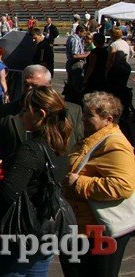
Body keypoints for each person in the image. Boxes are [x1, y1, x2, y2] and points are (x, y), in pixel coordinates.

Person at [0, 86, 74, 276]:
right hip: (46, 230)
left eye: (26, 110)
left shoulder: (31, 149)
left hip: (22, 234)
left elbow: (8, 192)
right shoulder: (60, 145)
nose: (21, 115)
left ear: (41, 114)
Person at [61, 92, 135, 276]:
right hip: (82, 225)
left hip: (99, 231)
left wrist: (79, 182)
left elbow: (123, 185)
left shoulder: (114, 143)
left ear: (108, 119)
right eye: (84, 114)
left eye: (89, 115)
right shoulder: (93, 138)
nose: (83, 119)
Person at [0, 65, 84, 163]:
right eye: (26, 85)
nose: (29, 89)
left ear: (49, 86)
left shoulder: (72, 111)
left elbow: (80, 146)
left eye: (35, 86)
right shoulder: (6, 112)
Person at [65, 24, 89, 105]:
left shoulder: (71, 38)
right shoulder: (75, 40)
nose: (85, 35)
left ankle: (70, 100)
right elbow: (75, 55)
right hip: (76, 63)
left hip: (71, 63)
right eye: (84, 33)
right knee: (76, 85)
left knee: (70, 84)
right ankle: (75, 102)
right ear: (79, 32)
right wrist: (86, 55)